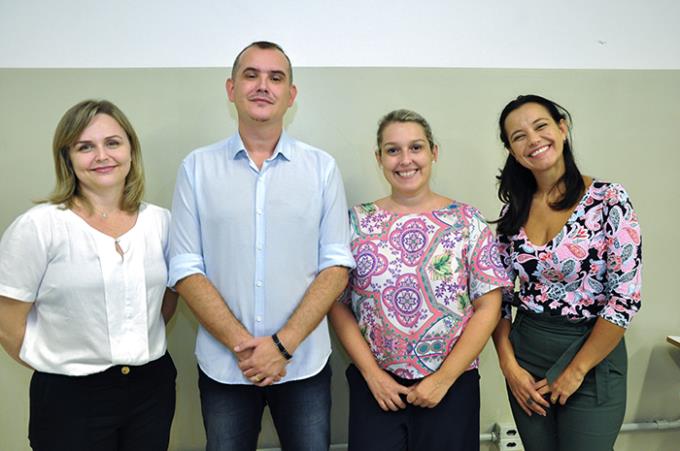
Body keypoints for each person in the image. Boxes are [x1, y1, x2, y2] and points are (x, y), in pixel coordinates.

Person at [168, 41, 354, 451]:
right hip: (225, 367)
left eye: (276, 77)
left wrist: (282, 346)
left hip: (304, 363)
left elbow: (337, 265)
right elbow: (184, 267)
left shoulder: (321, 168)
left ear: (291, 94)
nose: (262, 86)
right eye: (251, 75)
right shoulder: (196, 168)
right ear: (231, 88)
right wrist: (247, 349)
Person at [0, 99, 178, 451]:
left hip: (151, 390)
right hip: (69, 398)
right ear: (67, 158)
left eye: (112, 143)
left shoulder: (161, 223)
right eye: (85, 147)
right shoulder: (39, 227)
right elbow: (8, 326)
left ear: (130, 150)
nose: (102, 156)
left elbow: (164, 302)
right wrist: (64, 364)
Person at [329, 109, 510, 451]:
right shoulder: (355, 223)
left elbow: (489, 305)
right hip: (377, 388)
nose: (405, 160)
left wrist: (443, 380)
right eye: (393, 150)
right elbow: (338, 304)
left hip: (452, 386)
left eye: (416, 147)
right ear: (379, 157)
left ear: (433, 152)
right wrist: (373, 375)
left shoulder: (466, 220)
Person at [491, 94, 642, 451]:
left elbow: (625, 298)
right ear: (513, 151)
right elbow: (498, 296)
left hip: (591, 354)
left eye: (540, 126)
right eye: (519, 136)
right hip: (525, 357)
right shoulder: (514, 209)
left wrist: (575, 371)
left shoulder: (609, 200)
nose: (533, 140)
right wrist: (508, 366)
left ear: (562, 127)